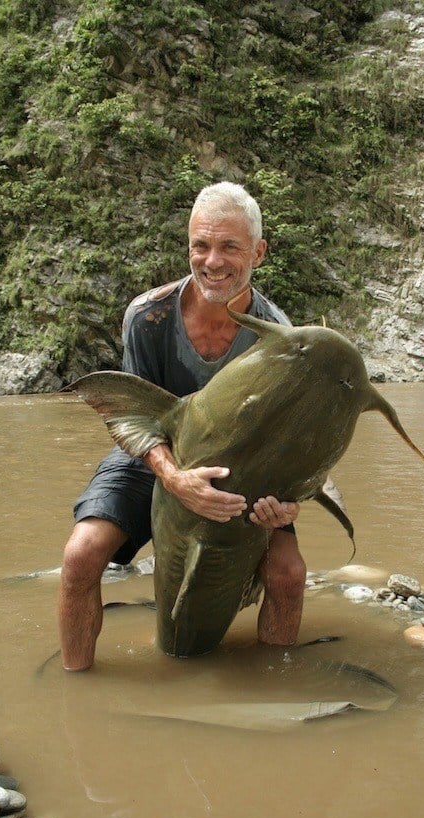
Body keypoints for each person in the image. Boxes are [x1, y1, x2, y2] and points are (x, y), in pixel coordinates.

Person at [58, 182, 306, 670]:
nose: (212, 261)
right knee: (80, 556)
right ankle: (75, 687)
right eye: (200, 245)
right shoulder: (147, 317)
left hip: (236, 465)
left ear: (258, 252)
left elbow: (288, 437)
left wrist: (289, 500)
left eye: (229, 246)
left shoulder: (282, 336)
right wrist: (173, 478)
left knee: (288, 574)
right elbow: (132, 417)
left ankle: (275, 691)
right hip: (154, 452)